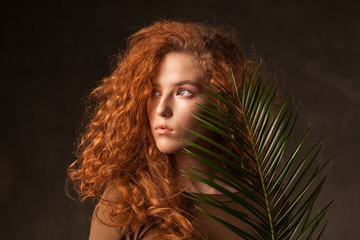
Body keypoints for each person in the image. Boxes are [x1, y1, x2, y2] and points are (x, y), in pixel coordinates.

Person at [67, 20, 266, 240]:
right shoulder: (126, 202)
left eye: (183, 92)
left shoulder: (263, 201)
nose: (162, 109)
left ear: (223, 100)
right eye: (154, 92)